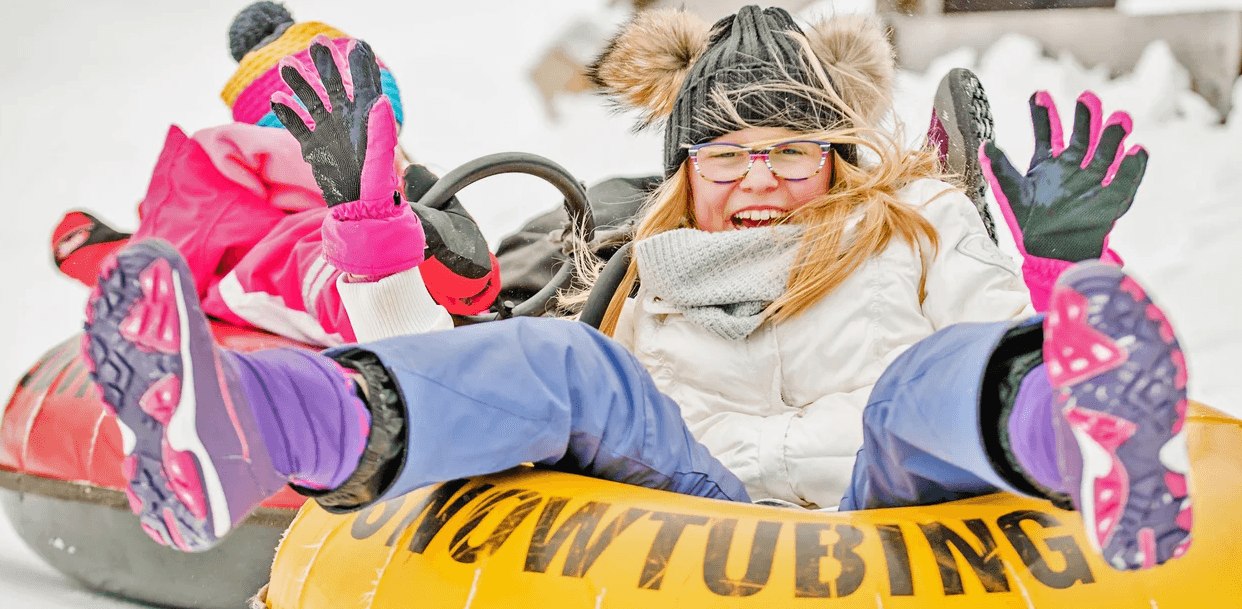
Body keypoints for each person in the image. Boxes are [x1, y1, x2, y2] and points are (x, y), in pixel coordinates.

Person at [81, 6, 1190, 573]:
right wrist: (370, 230)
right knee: (569, 361)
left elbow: (995, 334)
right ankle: (251, 425)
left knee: (925, 382)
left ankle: (1087, 448)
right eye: (727, 156)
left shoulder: (917, 223)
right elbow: (476, 381)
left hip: (883, 492)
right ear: (683, 172)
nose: (760, 179)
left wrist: (1061, 274)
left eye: (791, 151)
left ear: (838, 159)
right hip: (688, 506)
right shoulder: (635, 272)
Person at [55, 1, 500, 347]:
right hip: (271, 280)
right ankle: (94, 252)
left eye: (391, 134)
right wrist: (405, 256)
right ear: (292, 143)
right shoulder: (269, 233)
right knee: (141, 269)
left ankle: (95, 249)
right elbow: (309, 279)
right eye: (368, 138)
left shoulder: (387, 179)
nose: (391, 155)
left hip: (199, 236)